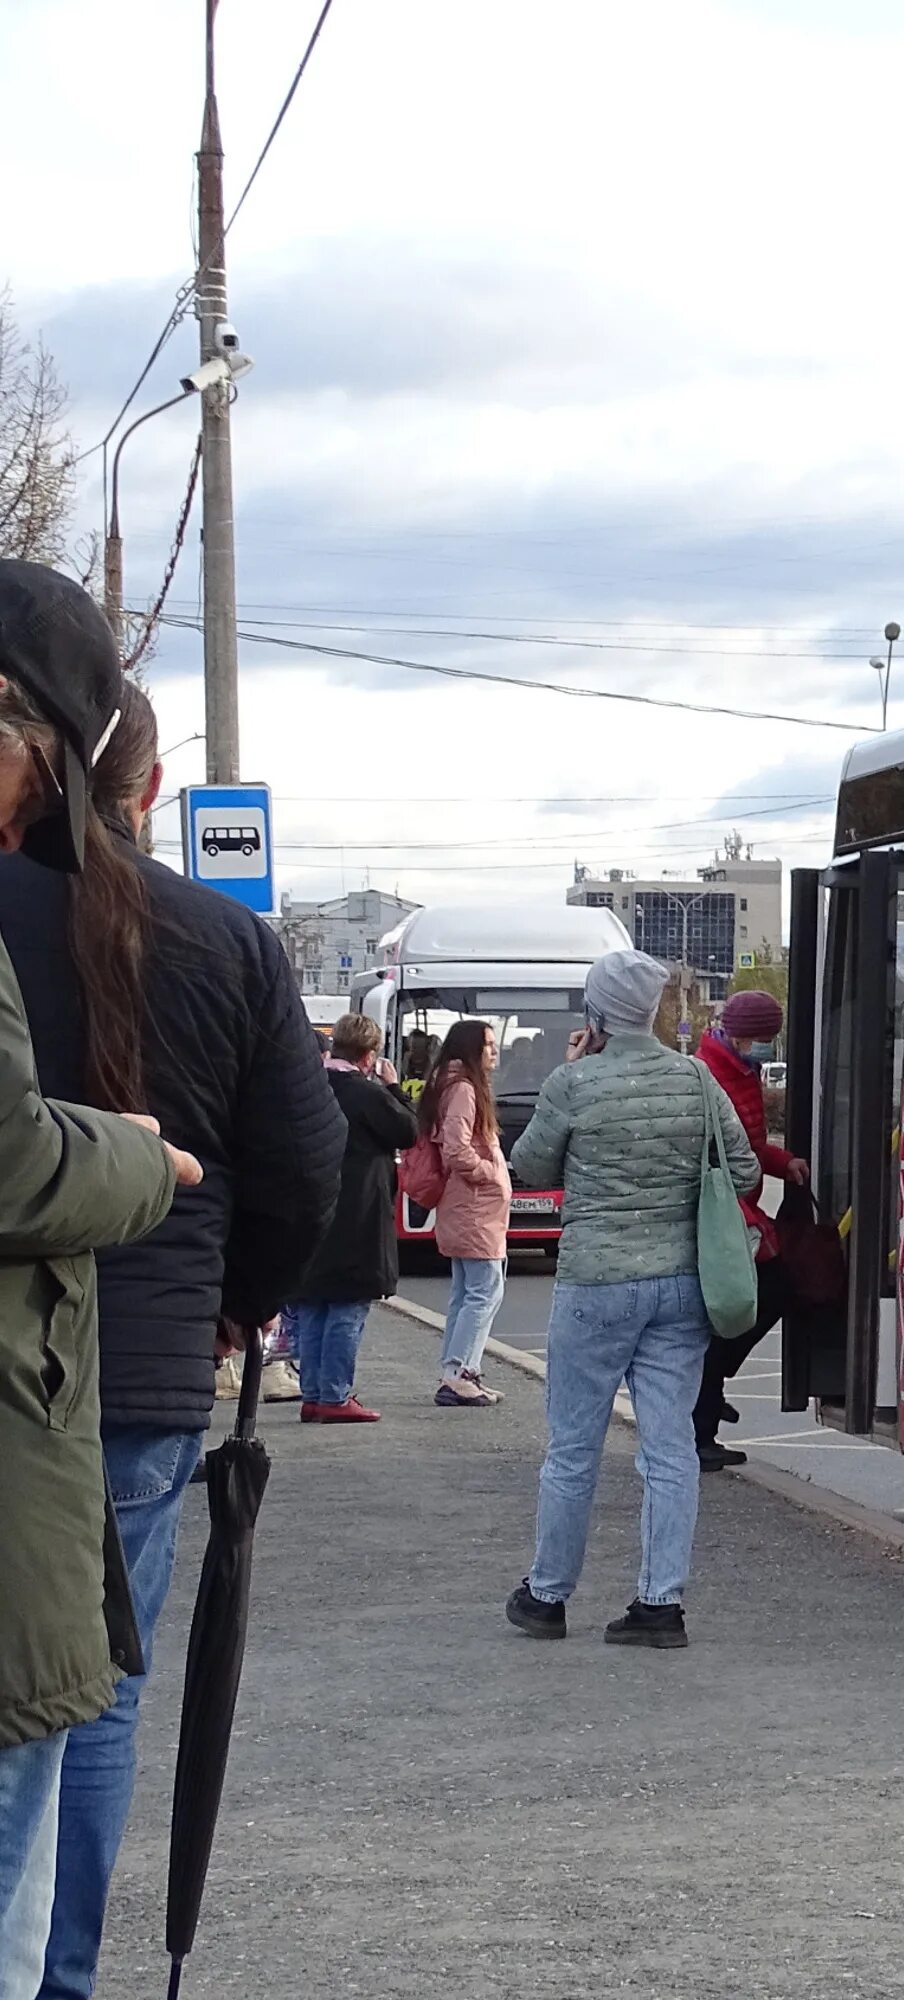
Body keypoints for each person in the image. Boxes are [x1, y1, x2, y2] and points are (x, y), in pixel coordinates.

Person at [0, 641, 340, 2000]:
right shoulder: (223, 940)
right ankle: (60, 1975)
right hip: (139, 1364)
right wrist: (237, 1305)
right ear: (142, 784)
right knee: (90, 1690)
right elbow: (304, 1167)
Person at [0, 561, 204, 2000]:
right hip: (78, 1400)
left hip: (73, 1395)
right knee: (87, 1708)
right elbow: (9, 1163)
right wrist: (139, 1161)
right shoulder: (231, 944)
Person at [507, 950, 756, 1648]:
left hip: (595, 1283)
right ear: (655, 1009)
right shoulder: (697, 1079)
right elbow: (739, 1170)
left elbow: (530, 1166)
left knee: (573, 1448)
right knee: (670, 1445)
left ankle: (548, 1596)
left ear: (597, 1013)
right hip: (682, 1286)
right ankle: (659, 1605)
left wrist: (573, 1068)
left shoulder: (574, 1083)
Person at [283, 1015, 422, 1425]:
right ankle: (335, 1395)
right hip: (357, 1213)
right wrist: (394, 1087)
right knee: (347, 1303)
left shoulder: (306, 1090)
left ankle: (311, 1394)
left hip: (309, 1209)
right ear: (370, 1054)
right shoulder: (365, 1094)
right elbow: (407, 1131)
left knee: (312, 1304)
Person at [692, 990, 805, 1471]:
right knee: (752, 1298)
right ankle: (703, 1419)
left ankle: (709, 1403)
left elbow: (752, 1143)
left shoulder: (741, 1070)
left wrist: (783, 1164)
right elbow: (725, 1148)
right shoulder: (710, 1073)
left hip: (741, 1205)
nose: (766, 1047)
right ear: (744, 1033)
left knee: (732, 1312)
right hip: (725, 1211)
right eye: (764, 1038)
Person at [417, 1020, 510, 1408]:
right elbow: (457, 1150)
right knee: (484, 1291)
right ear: (471, 1050)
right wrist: (490, 1173)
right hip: (474, 1206)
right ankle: (459, 1373)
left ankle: (458, 1371)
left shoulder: (452, 1086)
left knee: (468, 1292)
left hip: (470, 1206)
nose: (494, 1051)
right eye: (487, 1045)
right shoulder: (465, 1091)